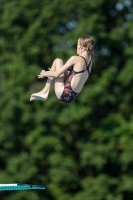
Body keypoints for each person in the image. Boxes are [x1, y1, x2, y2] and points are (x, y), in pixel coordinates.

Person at [30, 35, 94, 103]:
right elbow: (76, 76)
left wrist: (45, 73)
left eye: (77, 45)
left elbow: (57, 74)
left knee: (57, 60)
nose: (77, 47)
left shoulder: (75, 59)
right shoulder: (90, 63)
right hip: (73, 96)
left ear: (81, 47)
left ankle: (45, 92)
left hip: (64, 94)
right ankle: (44, 92)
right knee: (59, 63)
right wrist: (54, 71)